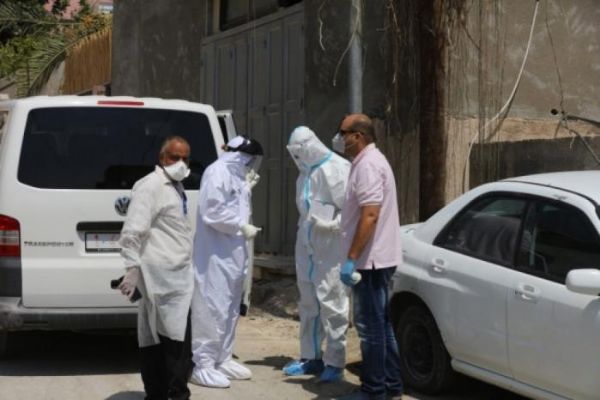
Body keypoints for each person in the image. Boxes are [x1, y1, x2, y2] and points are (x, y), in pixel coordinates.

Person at [333, 114, 404, 400]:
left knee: (370, 329)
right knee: (381, 326)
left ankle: (374, 390)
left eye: (342, 133)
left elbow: (370, 214)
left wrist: (352, 257)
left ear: (358, 136)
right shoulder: (367, 162)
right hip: (375, 258)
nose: (339, 138)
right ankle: (391, 386)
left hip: (369, 261)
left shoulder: (368, 165)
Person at [118, 136, 194, 400]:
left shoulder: (176, 187)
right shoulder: (151, 186)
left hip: (176, 277)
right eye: (175, 157)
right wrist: (131, 268)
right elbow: (132, 231)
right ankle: (172, 394)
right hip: (161, 279)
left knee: (161, 340)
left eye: (185, 158)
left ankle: (159, 394)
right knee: (174, 343)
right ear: (162, 158)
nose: (181, 163)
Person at [190, 135, 263, 388]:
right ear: (239, 155)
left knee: (231, 309)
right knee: (213, 307)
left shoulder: (236, 175)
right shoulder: (217, 171)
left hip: (234, 255)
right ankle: (203, 363)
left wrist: (246, 189)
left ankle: (222, 358)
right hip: (216, 256)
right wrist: (240, 225)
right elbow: (212, 211)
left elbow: (233, 204)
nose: (251, 163)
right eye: (249, 158)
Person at [283, 126, 351, 382]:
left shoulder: (338, 168)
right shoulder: (305, 173)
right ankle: (311, 357)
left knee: (333, 302)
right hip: (307, 244)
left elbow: (352, 210)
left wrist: (334, 225)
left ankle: (335, 362)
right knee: (308, 301)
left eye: (299, 151)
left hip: (331, 245)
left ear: (310, 146)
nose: (297, 157)